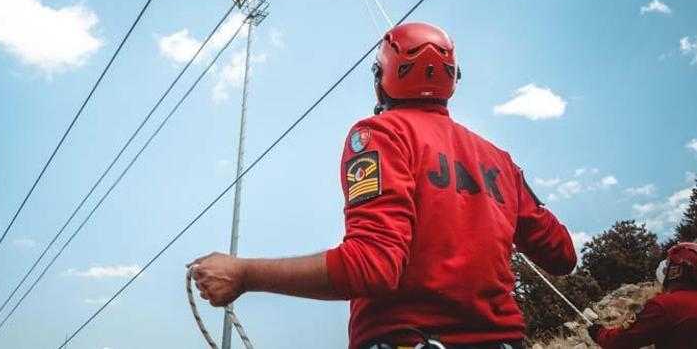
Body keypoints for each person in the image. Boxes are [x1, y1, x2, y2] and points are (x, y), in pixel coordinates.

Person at [190, 22, 577, 349]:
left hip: (409, 338)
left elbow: (371, 266)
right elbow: (561, 255)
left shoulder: (378, 135)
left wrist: (244, 274)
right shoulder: (500, 160)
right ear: (452, 80)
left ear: (381, 78)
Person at [587, 241, 697, 349]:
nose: (664, 267)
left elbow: (621, 340)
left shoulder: (665, 305)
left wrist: (598, 333)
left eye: (668, 264)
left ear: (676, 271)